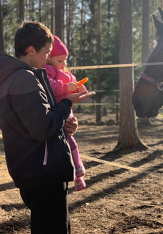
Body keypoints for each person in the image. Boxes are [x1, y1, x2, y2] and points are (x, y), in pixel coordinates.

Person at [0, 21, 95, 234]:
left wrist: (64, 123)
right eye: (46, 52)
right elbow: (42, 128)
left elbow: (34, 122)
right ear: (30, 50)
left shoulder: (11, 78)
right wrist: (67, 103)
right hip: (43, 173)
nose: (48, 58)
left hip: (33, 169)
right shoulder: (24, 79)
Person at [44, 35, 86, 192]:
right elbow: (51, 85)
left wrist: (80, 89)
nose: (63, 64)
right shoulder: (48, 70)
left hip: (68, 110)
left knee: (71, 139)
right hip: (57, 109)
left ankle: (78, 170)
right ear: (49, 59)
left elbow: (74, 85)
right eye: (59, 60)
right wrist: (67, 87)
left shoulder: (68, 73)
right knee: (66, 139)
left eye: (65, 60)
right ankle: (75, 171)